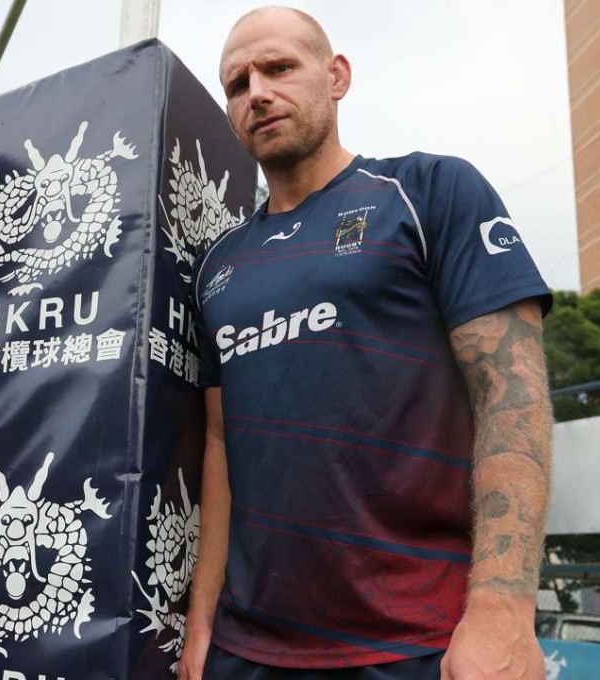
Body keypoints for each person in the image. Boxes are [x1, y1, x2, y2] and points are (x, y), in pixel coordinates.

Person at [180, 7, 553, 679]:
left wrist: (502, 612)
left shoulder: (428, 192)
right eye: (237, 83)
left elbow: (513, 399)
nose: (256, 91)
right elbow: (218, 447)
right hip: (246, 651)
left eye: (279, 68)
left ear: (337, 75)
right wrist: (202, 626)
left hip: (417, 644)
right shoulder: (218, 266)